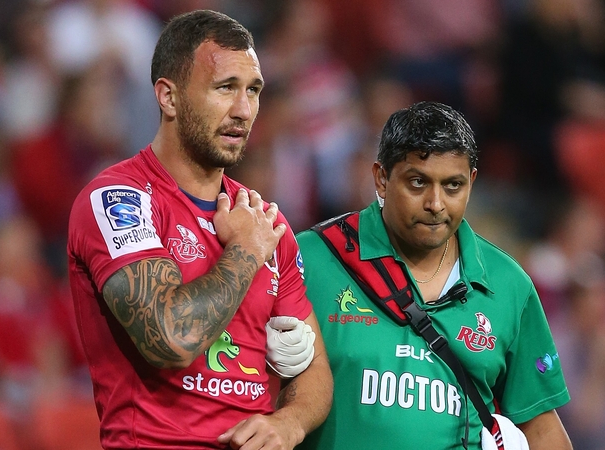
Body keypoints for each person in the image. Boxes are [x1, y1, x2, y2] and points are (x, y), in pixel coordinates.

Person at [66, 10, 332, 449]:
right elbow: (169, 339)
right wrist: (245, 252)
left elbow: (315, 369)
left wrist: (290, 421)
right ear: (168, 97)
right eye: (225, 88)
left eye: (253, 91)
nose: (243, 110)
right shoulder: (119, 200)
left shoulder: (264, 220)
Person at [296, 101, 572, 449]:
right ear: (382, 179)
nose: (436, 203)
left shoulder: (509, 285)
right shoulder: (311, 259)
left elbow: (540, 424)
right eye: (417, 182)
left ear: (471, 182)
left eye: (453, 186)